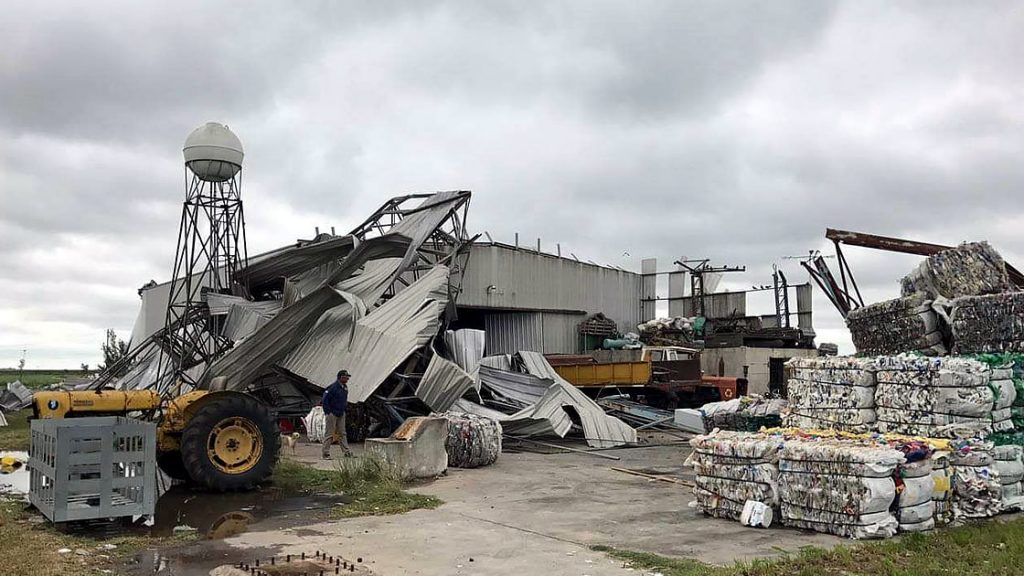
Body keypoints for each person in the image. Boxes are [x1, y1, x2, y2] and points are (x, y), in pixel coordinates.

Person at [322, 369, 353, 459]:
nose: (347, 379)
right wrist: (328, 412)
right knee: (329, 434)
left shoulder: (345, 387)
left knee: (342, 433)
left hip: (341, 413)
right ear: (341, 377)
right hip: (332, 413)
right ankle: (325, 453)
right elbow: (325, 400)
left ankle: (346, 452)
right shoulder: (332, 387)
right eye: (346, 377)